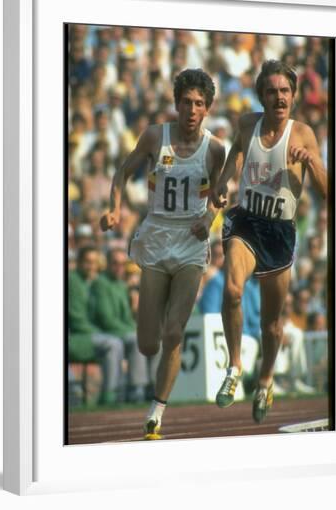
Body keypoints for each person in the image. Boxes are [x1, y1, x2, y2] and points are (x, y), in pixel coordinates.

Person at [100, 68, 225, 439]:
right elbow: (123, 172)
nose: (191, 109)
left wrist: (209, 218)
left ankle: (157, 412)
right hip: (155, 238)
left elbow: (222, 195)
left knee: (174, 333)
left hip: (190, 242)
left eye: (199, 103)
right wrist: (115, 208)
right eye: (186, 102)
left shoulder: (214, 148)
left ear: (207, 109)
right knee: (147, 342)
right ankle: (151, 348)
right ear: (176, 103)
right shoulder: (156, 136)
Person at [212, 59, 327, 423]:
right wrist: (222, 181)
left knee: (272, 324)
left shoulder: (304, 133)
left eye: (285, 91)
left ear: (293, 96)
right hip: (247, 222)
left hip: (279, 232)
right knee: (232, 291)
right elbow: (237, 153)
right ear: (262, 95)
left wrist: (311, 161)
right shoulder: (248, 123)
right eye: (272, 91)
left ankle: (265, 380)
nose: (279, 97)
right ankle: (234, 368)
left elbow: (329, 193)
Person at [90, 248, 149, 403]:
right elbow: (106, 319)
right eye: (115, 263)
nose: (119, 267)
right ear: (108, 264)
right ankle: (136, 390)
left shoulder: (121, 285)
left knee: (149, 337)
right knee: (137, 339)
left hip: (119, 332)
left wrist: (137, 329)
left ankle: (152, 387)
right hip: (104, 332)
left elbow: (127, 318)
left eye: (123, 264)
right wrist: (133, 330)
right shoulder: (100, 284)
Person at [68, 246, 125, 405]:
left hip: (89, 335)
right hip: (75, 337)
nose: (91, 266)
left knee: (115, 342)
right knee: (113, 343)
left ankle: (117, 393)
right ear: (78, 263)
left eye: (94, 263)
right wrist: (101, 332)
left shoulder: (93, 282)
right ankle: (109, 396)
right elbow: (77, 320)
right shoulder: (72, 280)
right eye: (87, 262)